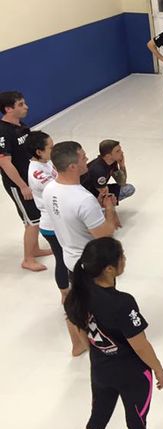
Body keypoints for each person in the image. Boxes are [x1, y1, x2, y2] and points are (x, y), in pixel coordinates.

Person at [64, 237, 163, 429]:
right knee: (137, 425)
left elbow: (82, 331)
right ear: (110, 269)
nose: (125, 259)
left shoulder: (77, 296)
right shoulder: (123, 302)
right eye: (122, 257)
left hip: (100, 371)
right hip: (133, 375)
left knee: (97, 418)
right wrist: (158, 367)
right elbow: (140, 346)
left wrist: (98, 354)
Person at [27, 131, 88, 355]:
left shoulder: (46, 165)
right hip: (51, 225)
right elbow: (61, 184)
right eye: (50, 148)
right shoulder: (37, 172)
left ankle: (68, 294)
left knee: (65, 259)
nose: (54, 151)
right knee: (63, 261)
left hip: (55, 220)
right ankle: (66, 293)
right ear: (39, 152)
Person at [43, 141, 120, 273]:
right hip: (91, 265)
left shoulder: (49, 189)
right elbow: (105, 235)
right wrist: (109, 208)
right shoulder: (84, 200)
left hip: (70, 260)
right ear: (73, 167)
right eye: (83, 157)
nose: (87, 159)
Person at [0, 91, 52, 272]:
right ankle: (28, 259)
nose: (26, 107)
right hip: (18, 185)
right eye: (21, 104)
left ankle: (35, 249)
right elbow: (4, 162)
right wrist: (22, 186)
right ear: (8, 109)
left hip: (29, 180)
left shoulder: (21, 126)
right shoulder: (3, 132)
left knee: (36, 216)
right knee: (32, 221)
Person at [82, 140, 135, 204]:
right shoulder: (98, 170)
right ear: (108, 156)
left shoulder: (112, 162)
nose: (122, 152)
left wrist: (122, 165)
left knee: (128, 189)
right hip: (87, 195)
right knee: (106, 199)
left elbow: (122, 182)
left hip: (98, 189)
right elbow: (103, 193)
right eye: (118, 151)